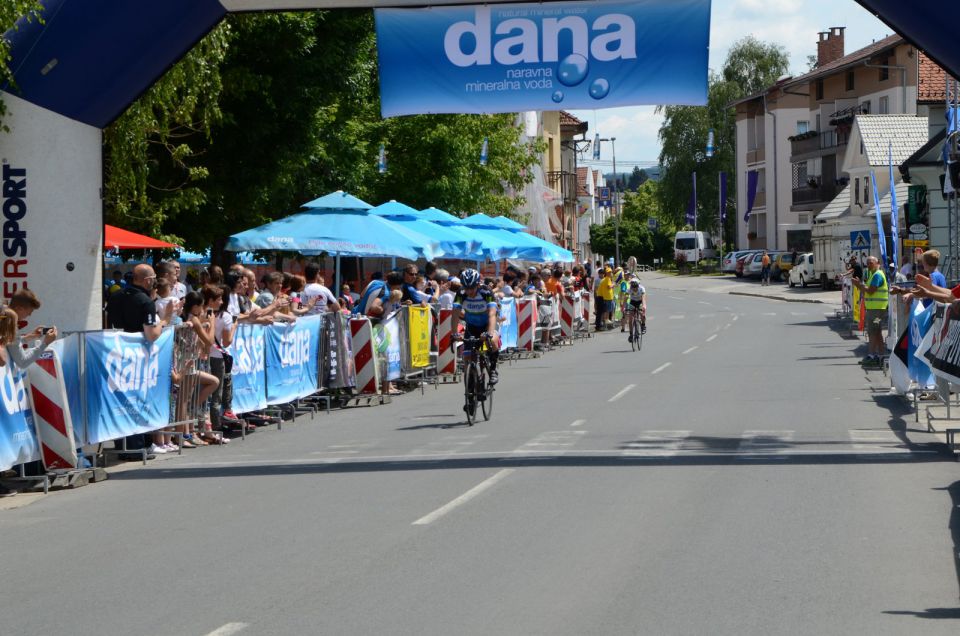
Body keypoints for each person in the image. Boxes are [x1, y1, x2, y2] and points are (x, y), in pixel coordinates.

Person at [451, 269, 500, 385]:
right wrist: (454, 333)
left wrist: (489, 333)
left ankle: (493, 370)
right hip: (471, 328)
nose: (469, 291)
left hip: (487, 325)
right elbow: (455, 315)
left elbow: (492, 314)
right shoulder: (461, 293)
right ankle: (471, 398)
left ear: (478, 284)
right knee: (468, 359)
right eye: (466, 287)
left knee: (491, 341)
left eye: (472, 287)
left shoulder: (486, 292)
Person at [852, 255, 888, 367]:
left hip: (877, 310)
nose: (868, 265)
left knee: (873, 332)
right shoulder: (873, 274)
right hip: (876, 309)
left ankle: (872, 355)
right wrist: (861, 285)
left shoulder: (877, 275)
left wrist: (859, 285)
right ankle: (880, 356)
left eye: (871, 263)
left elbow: (871, 291)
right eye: (867, 263)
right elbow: (868, 290)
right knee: (876, 332)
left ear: (877, 263)